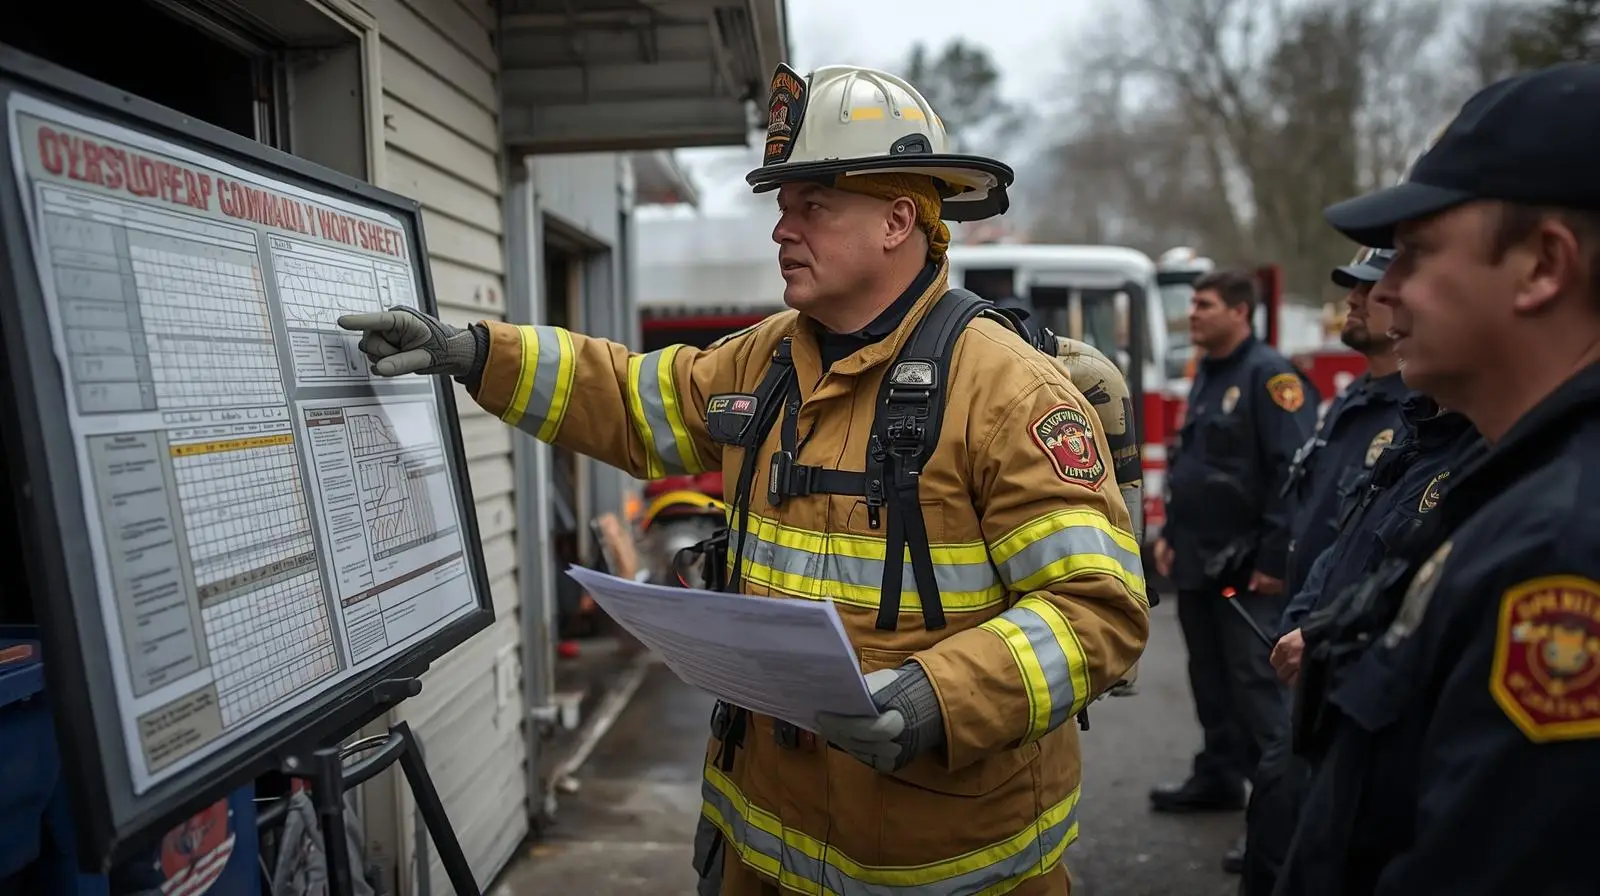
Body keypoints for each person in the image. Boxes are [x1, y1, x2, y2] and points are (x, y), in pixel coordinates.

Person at [341, 63, 1149, 895]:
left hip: (944, 865)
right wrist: (473, 353)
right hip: (760, 845)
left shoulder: (1008, 390)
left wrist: (931, 699)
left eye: (813, 206)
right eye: (781, 207)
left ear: (898, 220)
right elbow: (625, 397)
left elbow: (1096, 610)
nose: (781, 231)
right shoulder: (765, 359)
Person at [1277, 61, 1600, 894]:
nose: (1385, 290)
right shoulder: (1514, 483)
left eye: (1416, 253)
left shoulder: (1563, 541)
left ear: (1542, 267)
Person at [1238, 265, 1485, 896]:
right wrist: (1308, 623)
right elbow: (1342, 537)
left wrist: (1324, 640)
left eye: (1413, 267)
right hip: (1321, 685)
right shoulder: (1412, 428)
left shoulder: (1494, 462)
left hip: (1356, 706)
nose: (1372, 300)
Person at [1149, 270, 1318, 823]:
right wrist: (1172, 534)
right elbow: (1193, 465)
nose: (1192, 313)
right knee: (1210, 679)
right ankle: (1219, 777)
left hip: (1248, 569)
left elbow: (1293, 473)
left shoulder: (1270, 377)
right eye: (1192, 304)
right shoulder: (1208, 373)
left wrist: (1274, 559)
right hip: (1199, 561)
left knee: (1258, 690)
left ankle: (1276, 814)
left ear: (1240, 312)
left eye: (1204, 304)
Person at [1281, 248, 1408, 603]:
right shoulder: (1350, 397)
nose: (1352, 300)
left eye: (1369, 287)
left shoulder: (1420, 413)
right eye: (1354, 287)